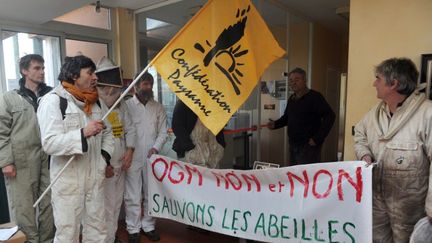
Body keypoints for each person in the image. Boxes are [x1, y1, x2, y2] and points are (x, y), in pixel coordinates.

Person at [354, 57, 432, 242]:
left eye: (378, 78)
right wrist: (364, 154)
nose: (374, 83)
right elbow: (359, 135)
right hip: (376, 202)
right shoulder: (374, 114)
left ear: (394, 83)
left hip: (410, 208)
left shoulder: (427, 114)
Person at [37, 55, 115, 242]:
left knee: (98, 230)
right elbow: (49, 143)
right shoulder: (53, 101)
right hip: (68, 182)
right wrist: (83, 133)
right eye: (90, 73)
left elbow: (109, 134)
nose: (95, 77)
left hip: (94, 179)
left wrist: (103, 158)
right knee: (67, 234)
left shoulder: (97, 102)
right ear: (74, 76)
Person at [0, 54, 54, 242]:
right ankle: (30, 241)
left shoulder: (51, 96)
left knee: (49, 203)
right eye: (37, 68)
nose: (42, 72)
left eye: (43, 68)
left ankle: (47, 240)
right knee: (24, 207)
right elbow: (1, 132)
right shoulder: (9, 98)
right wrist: (6, 162)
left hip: (49, 158)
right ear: (24, 71)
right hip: (22, 160)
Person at [95, 57, 136, 243]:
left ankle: (111, 237)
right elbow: (96, 141)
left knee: (116, 204)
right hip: (107, 166)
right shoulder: (96, 106)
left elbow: (130, 128)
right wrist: (105, 164)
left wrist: (130, 151)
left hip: (121, 164)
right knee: (106, 206)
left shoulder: (121, 104)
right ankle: (106, 239)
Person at [124, 72, 167, 242]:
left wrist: (156, 148)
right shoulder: (126, 106)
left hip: (152, 157)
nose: (148, 87)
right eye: (145, 84)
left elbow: (163, 132)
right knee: (133, 194)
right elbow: (124, 132)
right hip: (132, 156)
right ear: (136, 86)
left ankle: (148, 225)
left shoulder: (158, 107)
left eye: (150, 84)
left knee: (151, 193)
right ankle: (133, 229)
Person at [267, 67, 335, 165]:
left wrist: (318, 138)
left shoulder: (315, 97)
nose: (293, 83)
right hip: (293, 144)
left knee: (307, 177)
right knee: (294, 175)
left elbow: (330, 116)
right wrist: (275, 124)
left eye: (297, 80)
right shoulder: (292, 98)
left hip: (308, 146)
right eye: (291, 80)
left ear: (305, 80)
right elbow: (287, 118)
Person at [172, 99, 225, 168]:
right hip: (191, 155)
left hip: (213, 153)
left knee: (212, 177)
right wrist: (189, 147)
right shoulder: (183, 102)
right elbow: (177, 126)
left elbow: (220, 125)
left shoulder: (215, 103)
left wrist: (221, 145)